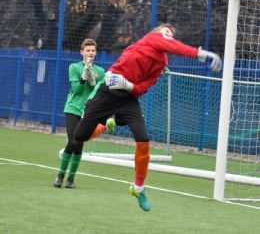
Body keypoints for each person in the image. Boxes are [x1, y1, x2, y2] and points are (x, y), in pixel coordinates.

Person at [73, 24, 222, 210]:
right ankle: (105, 126)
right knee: (80, 137)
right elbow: (176, 46)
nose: (168, 35)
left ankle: (138, 188)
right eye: (165, 32)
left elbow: (143, 88)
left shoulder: (161, 64)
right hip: (107, 92)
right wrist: (204, 54)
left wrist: (127, 84)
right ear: (157, 34)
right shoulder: (149, 39)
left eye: (170, 34)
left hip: (128, 98)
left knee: (143, 140)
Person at [53, 38, 115, 189]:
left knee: (79, 146)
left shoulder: (100, 71)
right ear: (82, 52)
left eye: (93, 50)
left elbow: (96, 93)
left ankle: (71, 179)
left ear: (96, 52)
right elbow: (77, 90)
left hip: (88, 113)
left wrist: (93, 80)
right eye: (88, 50)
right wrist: (84, 77)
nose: (90, 53)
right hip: (73, 109)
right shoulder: (74, 67)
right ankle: (60, 175)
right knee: (73, 142)